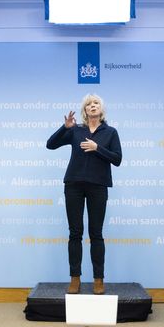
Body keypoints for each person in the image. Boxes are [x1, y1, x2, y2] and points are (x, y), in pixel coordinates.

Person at [46, 94, 122, 295]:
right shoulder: (76, 130)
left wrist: (98, 148)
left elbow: (117, 159)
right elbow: (50, 144)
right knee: (75, 233)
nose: (92, 106)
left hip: (98, 186)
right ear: (84, 111)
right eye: (88, 104)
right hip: (74, 185)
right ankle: (75, 279)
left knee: (96, 234)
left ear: (101, 109)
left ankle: (98, 280)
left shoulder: (110, 132)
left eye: (96, 103)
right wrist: (65, 128)